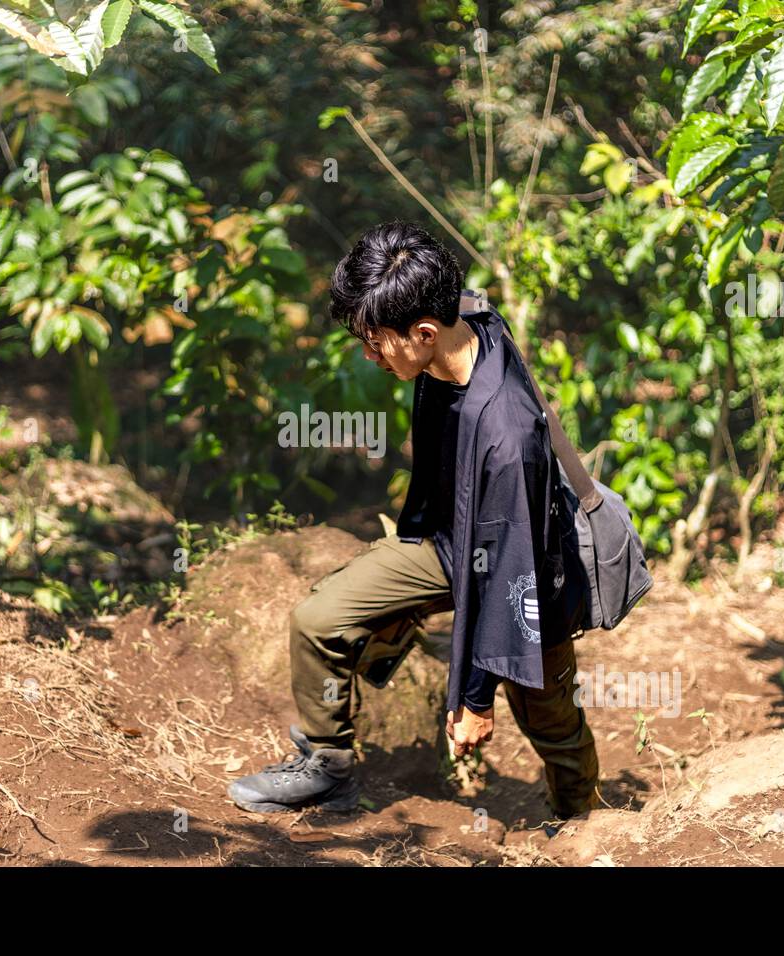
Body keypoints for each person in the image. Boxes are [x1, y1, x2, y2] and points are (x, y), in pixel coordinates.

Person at [226, 220, 599, 820]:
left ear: (424, 333)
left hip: (524, 573)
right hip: (452, 540)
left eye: (377, 343)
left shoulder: (506, 438)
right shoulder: (464, 317)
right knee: (318, 618)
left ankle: (584, 823)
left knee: (551, 721)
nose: (370, 357)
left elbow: (507, 578)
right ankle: (329, 766)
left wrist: (476, 699)